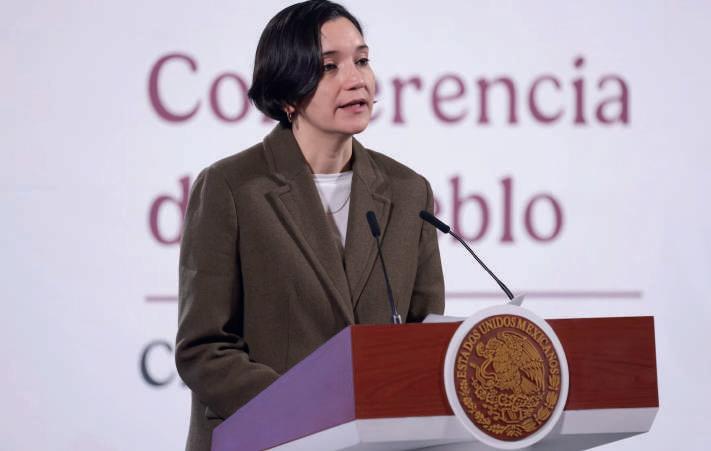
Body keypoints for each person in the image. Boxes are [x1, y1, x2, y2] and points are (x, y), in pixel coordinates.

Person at [175, 1, 444, 450]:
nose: (356, 79)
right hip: (267, 438)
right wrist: (306, 407)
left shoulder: (408, 191)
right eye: (329, 67)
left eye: (362, 60)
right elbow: (203, 349)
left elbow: (425, 337)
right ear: (287, 91)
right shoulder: (231, 187)